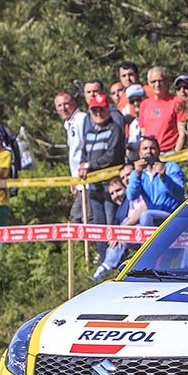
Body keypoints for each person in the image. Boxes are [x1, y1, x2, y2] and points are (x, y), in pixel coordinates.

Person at [79, 93, 127, 260]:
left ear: (108, 110)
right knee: (98, 224)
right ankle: (103, 261)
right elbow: (84, 154)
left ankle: (117, 260)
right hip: (94, 186)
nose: (98, 113)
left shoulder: (115, 130)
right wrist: (82, 165)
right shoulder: (90, 132)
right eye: (94, 110)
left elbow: (112, 156)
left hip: (111, 185)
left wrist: (90, 166)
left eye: (101, 109)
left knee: (112, 222)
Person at [126, 136, 185, 228]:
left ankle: (151, 242)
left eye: (152, 148)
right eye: (145, 148)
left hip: (172, 216)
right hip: (151, 219)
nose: (148, 151)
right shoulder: (137, 173)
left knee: (146, 215)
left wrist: (164, 177)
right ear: (139, 153)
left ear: (158, 151)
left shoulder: (171, 167)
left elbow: (180, 193)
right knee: (124, 228)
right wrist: (137, 174)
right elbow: (131, 196)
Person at [55, 91, 87, 223]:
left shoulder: (81, 119)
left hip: (87, 177)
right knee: (81, 216)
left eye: (66, 104)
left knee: (78, 216)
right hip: (78, 179)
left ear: (73, 103)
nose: (63, 108)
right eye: (59, 106)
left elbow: (86, 145)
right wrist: (73, 179)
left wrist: (84, 165)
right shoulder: (69, 124)